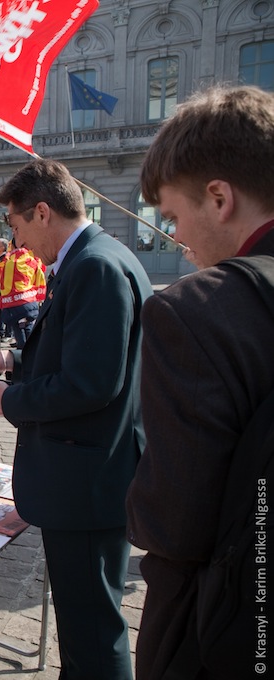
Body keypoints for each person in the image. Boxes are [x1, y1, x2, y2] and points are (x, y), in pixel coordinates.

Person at [0, 158, 152, 680]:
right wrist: (12, 361)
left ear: (42, 212)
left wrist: (12, 402)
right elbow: (85, 356)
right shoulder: (98, 257)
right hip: (92, 474)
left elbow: (91, 383)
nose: (18, 242)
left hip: (88, 481)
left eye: (17, 226)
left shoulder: (93, 265)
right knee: (85, 623)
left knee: (91, 632)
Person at [125, 85, 274, 680]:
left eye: (173, 218)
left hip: (223, 626)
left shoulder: (195, 311)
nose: (179, 242)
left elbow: (174, 524)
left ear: (219, 198)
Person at [0, 240, 46, 349]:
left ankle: (23, 358)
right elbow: (40, 277)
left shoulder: (9, 262)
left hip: (15, 303)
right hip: (30, 301)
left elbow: (3, 284)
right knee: (29, 327)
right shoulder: (32, 260)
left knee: (18, 331)